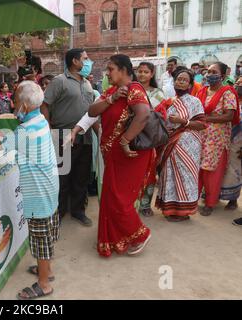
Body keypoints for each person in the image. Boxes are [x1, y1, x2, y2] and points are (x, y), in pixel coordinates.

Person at [0, 81, 59, 300]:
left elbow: (2, 145)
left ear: (24, 106)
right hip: (49, 187)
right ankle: (47, 270)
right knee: (48, 233)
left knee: (39, 239)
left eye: (15, 101)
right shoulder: (40, 120)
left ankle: (44, 284)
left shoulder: (26, 129)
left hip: (38, 194)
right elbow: (9, 140)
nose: (12, 104)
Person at [88, 54, 152, 257]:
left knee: (119, 198)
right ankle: (115, 239)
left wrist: (124, 141)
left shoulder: (134, 89)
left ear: (124, 69)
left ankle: (139, 235)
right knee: (109, 197)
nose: (107, 73)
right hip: (113, 155)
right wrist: (111, 98)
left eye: (111, 69)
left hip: (129, 154)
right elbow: (91, 111)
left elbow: (143, 115)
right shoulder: (112, 91)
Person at [41, 48, 95, 227]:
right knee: (62, 177)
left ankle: (78, 211)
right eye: (85, 59)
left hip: (84, 136)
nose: (88, 62)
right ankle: (59, 211)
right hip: (62, 135)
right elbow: (45, 105)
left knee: (82, 176)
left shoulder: (87, 83)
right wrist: (48, 129)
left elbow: (91, 112)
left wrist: (98, 132)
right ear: (75, 61)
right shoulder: (59, 81)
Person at [155, 69, 206, 222]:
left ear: (190, 84)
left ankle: (183, 212)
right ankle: (170, 209)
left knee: (186, 176)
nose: (180, 82)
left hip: (189, 144)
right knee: (168, 174)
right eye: (178, 79)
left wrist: (183, 121)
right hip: (170, 142)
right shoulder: (168, 101)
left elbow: (202, 124)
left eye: (184, 80)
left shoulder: (195, 101)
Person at [197, 62, 240, 216]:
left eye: (213, 71)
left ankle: (210, 203)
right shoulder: (202, 91)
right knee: (200, 169)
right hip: (201, 135)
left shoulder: (227, 92)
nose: (209, 74)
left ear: (222, 75)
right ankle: (196, 198)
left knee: (211, 171)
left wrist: (207, 118)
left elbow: (229, 116)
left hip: (217, 138)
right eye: (208, 71)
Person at [135, 62, 166, 216]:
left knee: (149, 172)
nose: (142, 74)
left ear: (152, 74)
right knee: (133, 172)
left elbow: (158, 116)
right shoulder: (131, 90)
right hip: (132, 136)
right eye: (139, 71)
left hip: (150, 138)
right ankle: (131, 203)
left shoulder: (158, 93)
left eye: (145, 72)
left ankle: (146, 204)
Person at [221, 76, 242, 212]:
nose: (238, 86)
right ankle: (214, 195)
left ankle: (233, 199)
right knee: (220, 168)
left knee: (234, 172)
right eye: (237, 83)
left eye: (241, 84)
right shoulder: (230, 100)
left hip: (238, 145)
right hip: (223, 140)